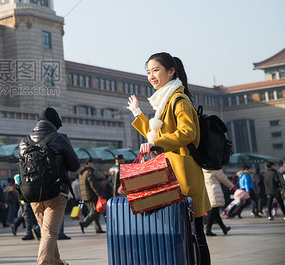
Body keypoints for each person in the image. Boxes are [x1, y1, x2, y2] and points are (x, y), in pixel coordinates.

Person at [126, 52, 211, 265]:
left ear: (171, 71)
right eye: (148, 72)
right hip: (172, 174)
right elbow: (157, 137)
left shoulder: (178, 100)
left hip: (185, 175)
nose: (151, 76)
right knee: (183, 233)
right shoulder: (164, 101)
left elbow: (187, 133)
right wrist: (137, 113)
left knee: (196, 233)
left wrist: (157, 143)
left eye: (156, 70)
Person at [19, 107, 80, 265]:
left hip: (32, 194)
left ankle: (57, 262)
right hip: (56, 193)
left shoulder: (24, 141)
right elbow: (74, 165)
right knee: (49, 233)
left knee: (47, 232)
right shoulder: (59, 138)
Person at [202, 168, 233, 236]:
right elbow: (223, 179)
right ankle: (208, 230)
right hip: (215, 192)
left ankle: (223, 228)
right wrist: (231, 186)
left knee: (215, 212)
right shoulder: (215, 169)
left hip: (207, 192)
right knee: (213, 210)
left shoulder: (203, 170)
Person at [78, 159, 105, 234]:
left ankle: (98, 229)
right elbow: (93, 185)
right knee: (95, 211)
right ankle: (84, 223)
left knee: (94, 211)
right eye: (92, 163)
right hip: (91, 195)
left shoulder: (81, 173)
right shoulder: (89, 172)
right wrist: (99, 194)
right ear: (89, 163)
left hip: (85, 196)